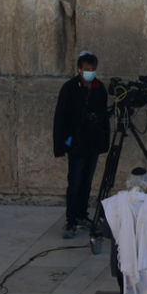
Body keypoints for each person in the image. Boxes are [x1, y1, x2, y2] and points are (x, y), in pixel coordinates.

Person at [53, 50, 111, 239]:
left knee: (87, 182)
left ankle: (82, 214)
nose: (89, 72)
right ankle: (71, 220)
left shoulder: (99, 88)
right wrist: (61, 144)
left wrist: (103, 140)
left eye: (92, 69)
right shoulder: (69, 88)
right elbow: (61, 117)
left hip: (92, 143)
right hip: (76, 143)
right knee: (75, 183)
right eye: (87, 69)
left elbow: (104, 117)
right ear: (79, 69)